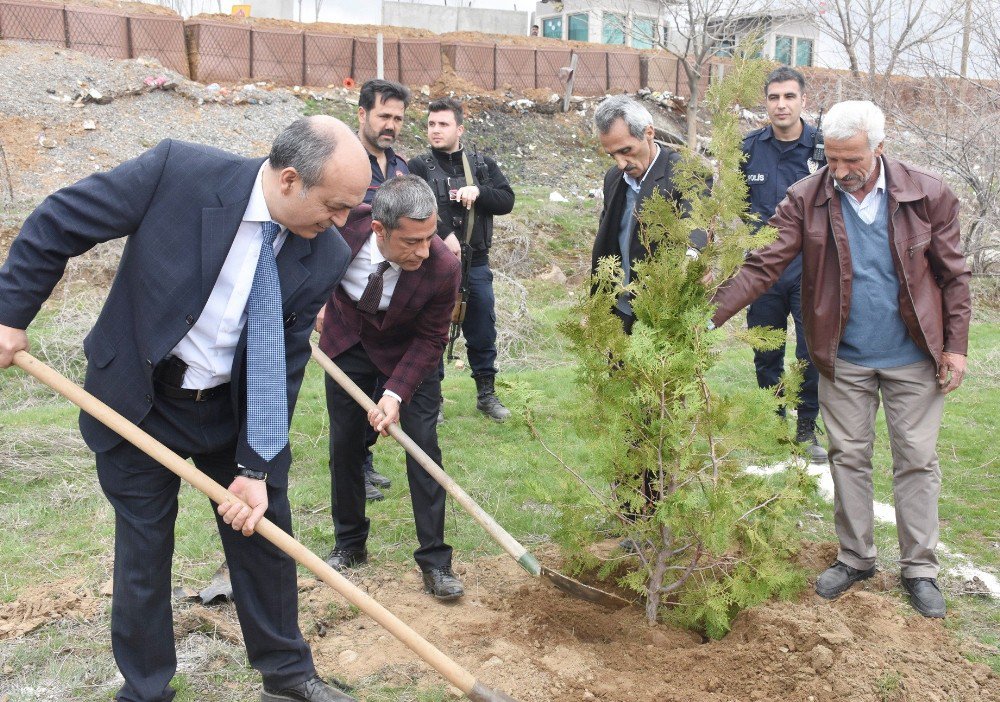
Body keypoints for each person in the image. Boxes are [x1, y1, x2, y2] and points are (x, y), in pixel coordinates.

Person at [0, 116, 370, 701]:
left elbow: (282, 363)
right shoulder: (179, 173)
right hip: (139, 399)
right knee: (145, 551)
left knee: (265, 532)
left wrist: (257, 467)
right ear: (292, 180)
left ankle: (289, 673)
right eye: (336, 206)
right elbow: (59, 221)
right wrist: (10, 314)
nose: (343, 222)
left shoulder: (323, 255)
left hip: (231, 407)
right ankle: (147, 689)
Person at [710, 101, 970, 618]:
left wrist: (956, 347)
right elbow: (764, 264)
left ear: (879, 147)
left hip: (914, 355)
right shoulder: (805, 199)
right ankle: (855, 559)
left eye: (853, 160)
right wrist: (709, 315)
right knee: (847, 457)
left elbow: (954, 276)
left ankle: (919, 568)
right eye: (832, 159)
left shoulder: (928, 193)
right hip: (842, 356)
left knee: (916, 460)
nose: (842, 171)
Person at [317, 175, 465, 601]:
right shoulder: (342, 227)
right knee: (345, 445)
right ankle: (349, 544)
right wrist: (315, 305)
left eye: (430, 236)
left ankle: (436, 562)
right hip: (348, 341)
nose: (424, 249)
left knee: (422, 447)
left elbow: (432, 338)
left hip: (408, 351)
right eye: (412, 241)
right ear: (380, 230)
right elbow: (301, 261)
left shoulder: (442, 266)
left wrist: (395, 392)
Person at [407, 97, 516, 422]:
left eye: (443, 124)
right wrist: (442, 235)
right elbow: (413, 204)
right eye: (431, 124)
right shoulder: (417, 166)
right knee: (431, 331)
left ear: (459, 128)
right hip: (432, 266)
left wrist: (479, 192)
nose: (436, 130)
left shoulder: (482, 165)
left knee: (482, 331)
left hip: (476, 264)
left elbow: (507, 200)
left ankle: (487, 395)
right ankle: (433, 399)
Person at [741, 67, 827, 463]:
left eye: (789, 97)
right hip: (763, 270)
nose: (781, 104)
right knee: (766, 351)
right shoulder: (749, 149)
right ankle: (773, 422)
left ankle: (807, 429)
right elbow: (733, 203)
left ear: (802, 101)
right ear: (767, 101)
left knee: (810, 353)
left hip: (811, 269)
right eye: (774, 97)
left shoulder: (822, 149)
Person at [591, 94, 706, 334]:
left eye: (626, 150)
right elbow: (609, 242)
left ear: (649, 133)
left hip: (663, 311)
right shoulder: (613, 179)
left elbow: (695, 222)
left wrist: (691, 259)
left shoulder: (686, 172)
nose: (622, 163)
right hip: (619, 309)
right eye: (613, 155)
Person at [354, 78, 413, 502]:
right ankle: (354, 464)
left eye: (397, 118)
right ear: (362, 115)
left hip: (389, 299)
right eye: (383, 116)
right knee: (351, 387)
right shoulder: (343, 163)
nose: (390, 125)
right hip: (350, 299)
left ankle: (365, 459)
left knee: (379, 386)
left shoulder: (401, 168)